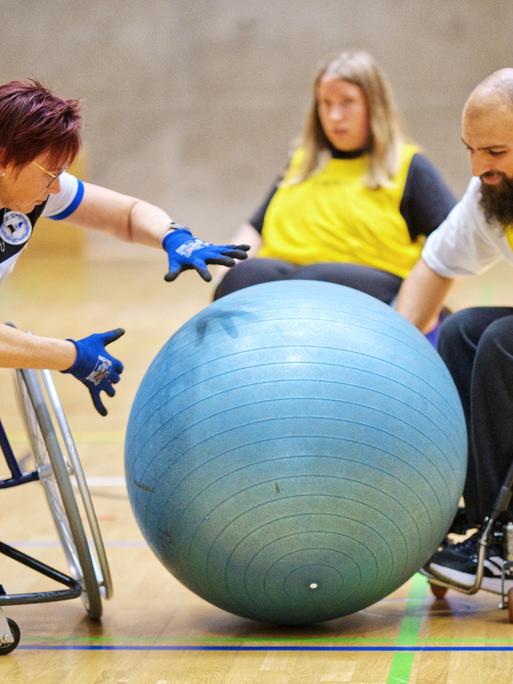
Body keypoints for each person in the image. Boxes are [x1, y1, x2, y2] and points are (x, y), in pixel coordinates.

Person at [0, 79, 249, 416]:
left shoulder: (33, 189)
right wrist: (71, 356)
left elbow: (127, 216)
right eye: (51, 172)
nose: (57, 186)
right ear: (4, 159)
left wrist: (173, 236)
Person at [213, 49, 455, 339]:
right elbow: (255, 227)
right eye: (325, 104)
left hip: (375, 286)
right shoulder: (301, 162)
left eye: (347, 103)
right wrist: (228, 269)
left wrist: (425, 309)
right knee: (244, 277)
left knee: (314, 282)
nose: (334, 115)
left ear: (373, 105)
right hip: (286, 277)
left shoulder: (408, 166)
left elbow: (453, 244)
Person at [395, 68, 513, 592]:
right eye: (470, 149)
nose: (476, 167)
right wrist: (383, 361)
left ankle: (504, 537)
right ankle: (484, 526)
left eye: (494, 152)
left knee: (503, 344)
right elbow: (436, 265)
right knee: (463, 332)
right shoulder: (492, 192)